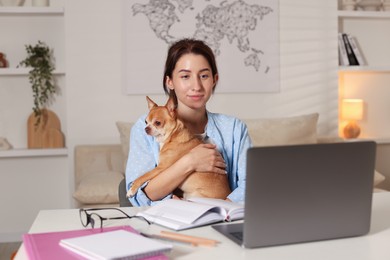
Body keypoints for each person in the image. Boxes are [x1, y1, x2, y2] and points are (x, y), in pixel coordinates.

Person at [126, 38, 252, 206]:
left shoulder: (234, 129)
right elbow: (139, 195)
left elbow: (251, 185)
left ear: (215, 79)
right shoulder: (145, 126)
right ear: (169, 81)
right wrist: (190, 161)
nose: (196, 85)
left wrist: (221, 210)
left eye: (204, 75)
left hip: (223, 220)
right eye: (185, 76)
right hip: (169, 222)